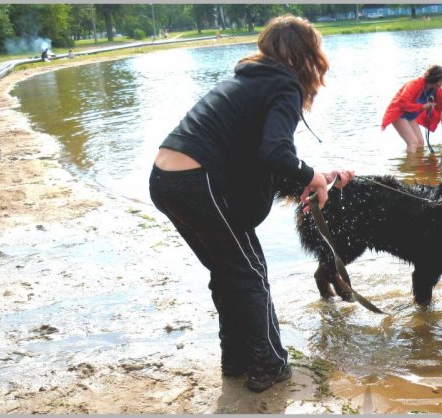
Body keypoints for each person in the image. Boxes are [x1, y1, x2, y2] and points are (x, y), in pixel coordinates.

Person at [149, 15, 354, 393]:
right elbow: (275, 153)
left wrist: (316, 175)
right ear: (307, 57)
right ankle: (270, 366)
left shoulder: (249, 79)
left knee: (230, 271)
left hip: (165, 180)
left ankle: (237, 361)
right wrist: (310, 175)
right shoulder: (285, 86)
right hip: (195, 182)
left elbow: (262, 158)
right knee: (250, 273)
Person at [381, 65, 442, 153]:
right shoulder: (415, 84)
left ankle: (413, 167)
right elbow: (402, 102)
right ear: (434, 79)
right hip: (398, 113)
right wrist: (422, 107)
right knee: (412, 143)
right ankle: (410, 166)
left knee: (420, 143)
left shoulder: (436, 90)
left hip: (410, 115)